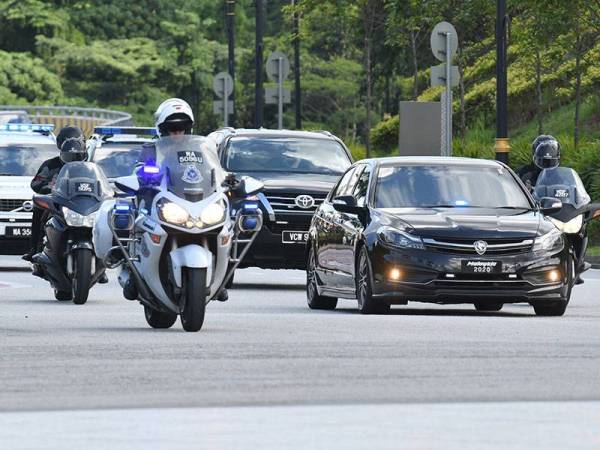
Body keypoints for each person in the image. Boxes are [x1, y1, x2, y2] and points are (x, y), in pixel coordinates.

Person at [23, 126, 86, 262]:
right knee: (39, 208)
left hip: (82, 204)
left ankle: (101, 258)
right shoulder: (50, 164)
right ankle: (35, 248)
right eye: (70, 155)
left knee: (101, 217)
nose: (73, 158)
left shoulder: (89, 166)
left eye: (77, 155)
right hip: (58, 202)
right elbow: (36, 182)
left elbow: (99, 182)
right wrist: (47, 188)